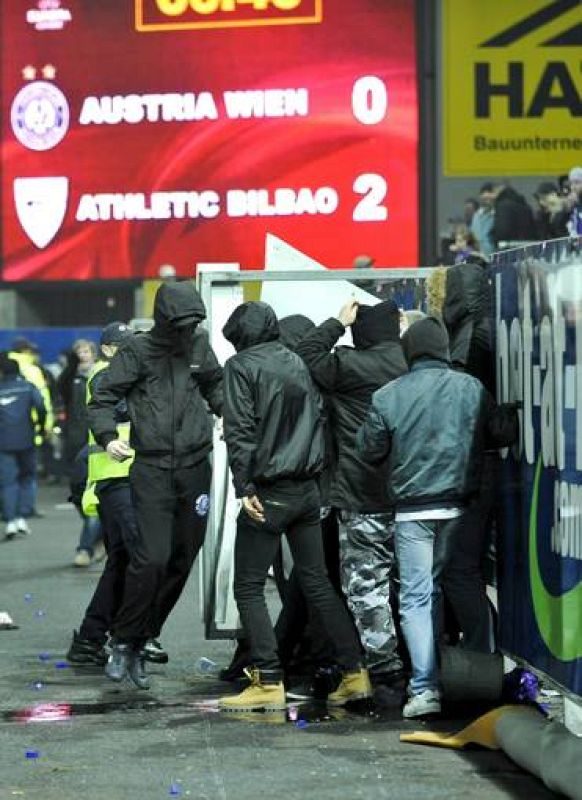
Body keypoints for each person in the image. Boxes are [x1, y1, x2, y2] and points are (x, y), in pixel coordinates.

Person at [357, 317, 517, 719]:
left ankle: (425, 689)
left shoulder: (388, 395)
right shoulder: (471, 387)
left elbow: (369, 450)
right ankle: (481, 676)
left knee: (416, 596)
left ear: (409, 351)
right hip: (462, 508)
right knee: (464, 581)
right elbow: (499, 434)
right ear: (444, 349)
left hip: (413, 511)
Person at [218, 301, 371, 711]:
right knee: (317, 582)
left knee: (248, 586)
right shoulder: (298, 361)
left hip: (269, 490)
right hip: (308, 490)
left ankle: (268, 679)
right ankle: (355, 673)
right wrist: (337, 321)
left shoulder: (240, 367)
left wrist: (244, 485)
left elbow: (240, 430)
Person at [88, 281, 223, 688]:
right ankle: (123, 640)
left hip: (195, 467)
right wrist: (107, 436)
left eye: (192, 323)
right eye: (182, 323)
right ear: (166, 318)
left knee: (182, 558)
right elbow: (102, 396)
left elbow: (214, 384)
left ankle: (142, 637)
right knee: (152, 559)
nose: (187, 330)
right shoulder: (137, 350)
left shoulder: (198, 344)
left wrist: (231, 412)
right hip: (151, 468)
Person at [295, 300, 408, 688]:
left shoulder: (348, 365)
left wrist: (336, 322)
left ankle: (384, 665)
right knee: (412, 583)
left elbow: (305, 354)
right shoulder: (411, 362)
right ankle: (421, 660)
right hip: (411, 493)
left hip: (361, 492)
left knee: (366, 584)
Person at [67, 322, 170, 667]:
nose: (131, 351)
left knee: (123, 561)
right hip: (116, 478)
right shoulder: (103, 376)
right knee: (142, 555)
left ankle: (91, 638)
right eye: (124, 346)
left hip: (129, 477)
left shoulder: (120, 372)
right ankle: (133, 635)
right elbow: (127, 410)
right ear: (108, 349)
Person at [58, 339, 103, 566]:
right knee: (78, 495)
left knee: (92, 496)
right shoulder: (70, 378)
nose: (83, 355)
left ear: (94, 353)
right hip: (75, 442)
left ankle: (86, 547)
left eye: (86, 351)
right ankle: (100, 538)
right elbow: (60, 390)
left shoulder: (102, 374)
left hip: (97, 443)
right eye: (79, 352)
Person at [0, 354, 46, 539]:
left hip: (3, 443)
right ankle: (22, 517)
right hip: (27, 439)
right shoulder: (28, 387)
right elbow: (41, 407)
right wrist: (40, 426)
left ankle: (10, 521)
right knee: (27, 478)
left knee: (8, 482)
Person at [485, 181, 536, 248]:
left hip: (508, 247)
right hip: (525, 246)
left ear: (499, 189)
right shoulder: (524, 204)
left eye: (492, 191)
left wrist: (493, 237)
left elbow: (503, 230)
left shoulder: (503, 205)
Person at [470, 185, 496, 257]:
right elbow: (473, 235)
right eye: (485, 199)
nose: (487, 201)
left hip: (493, 255)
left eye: (489, 199)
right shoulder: (476, 215)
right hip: (478, 255)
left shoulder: (497, 215)